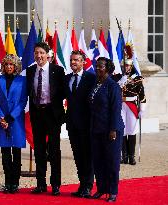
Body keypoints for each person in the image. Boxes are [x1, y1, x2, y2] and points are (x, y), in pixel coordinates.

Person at [27, 42, 65, 196]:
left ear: (48, 54)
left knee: (54, 151)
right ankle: (41, 184)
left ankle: (55, 184)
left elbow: (62, 92)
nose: (39, 56)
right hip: (37, 114)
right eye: (36, 52)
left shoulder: (57, 70)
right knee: (39, 151)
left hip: (52, 114)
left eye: (42, 52)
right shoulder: (30, 71)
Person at [89, 57, 124, 202]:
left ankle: (113, 191)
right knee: (98, 161)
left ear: (108, 68)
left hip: (111, 130)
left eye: (101, 66)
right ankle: (101, 188)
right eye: (96, 66)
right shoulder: (96, 84)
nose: (97, 68)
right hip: (96, 129)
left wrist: (113, 129)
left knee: (111, 161)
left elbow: (116, 109)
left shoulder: (113, 86)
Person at [0, 54, 27, 194]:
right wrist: (1, 117)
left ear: (16, 66)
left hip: (16, 120)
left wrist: (10, 117)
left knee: (16, 154)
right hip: (1, 122)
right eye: (6, 64)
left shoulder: (22, 81)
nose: (9, 67)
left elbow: (23, 101)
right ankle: (7, 183)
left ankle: (15, 183)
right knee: (5, 154)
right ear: (3, 66)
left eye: (11, 64)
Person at [65, 50, 96, 198]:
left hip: (86, 125)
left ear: (83, 62)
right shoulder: (67, 79)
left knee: (87, 156)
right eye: (71, 60)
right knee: (78, 156)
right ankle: (82, 184)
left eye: (76, 60)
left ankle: (88, 186)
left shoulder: (91, 78)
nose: (73, 63)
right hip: (72, 125)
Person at [114, 45, 146, 165]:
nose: (126, 67)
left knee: (131, 130)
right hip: (120, 105)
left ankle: (131, 156)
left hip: (132, 105)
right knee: (121, 130)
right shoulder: (118, 77)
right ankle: (124, 155)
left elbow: (142, 95)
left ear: (132, 66)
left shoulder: (137, 79)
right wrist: (120, 82)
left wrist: (142, 109)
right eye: (124, 65)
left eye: (128, 65)